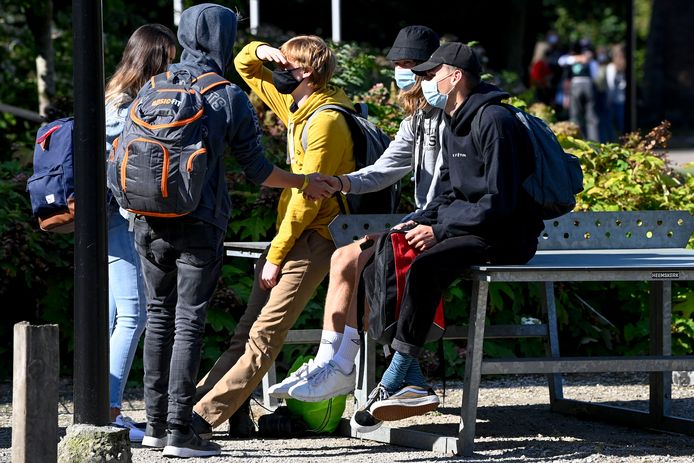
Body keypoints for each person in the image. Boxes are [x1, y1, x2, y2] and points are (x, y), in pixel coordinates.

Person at [135, 4, 330, 458]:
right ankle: (181, 432)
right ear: (221, 39)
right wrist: (303, 181)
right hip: (198, 221)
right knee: (187, 322)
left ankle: (155, 425)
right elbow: (259, 172)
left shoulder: (154, 85)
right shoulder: (226, 95)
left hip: (145, 218)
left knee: (158, 318)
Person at [350, 42, 544, 433]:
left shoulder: (495, 121)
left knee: (426, 266)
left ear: (454, 76)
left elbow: (500, 202)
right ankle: (414, 379)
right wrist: (419, 221)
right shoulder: (456, 120)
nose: (422, 82)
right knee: (381, 254)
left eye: (429, 74)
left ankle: (396, 377)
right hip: (472, 226)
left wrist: (439, 230)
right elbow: (451, 192)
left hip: (506, 235)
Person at [267, 25, 445, 404]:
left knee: (359, 257)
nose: (401, 73)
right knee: (346, 255)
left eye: (410, 65)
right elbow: (384, 170)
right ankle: (330, 361)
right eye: (396, 64)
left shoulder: (454, 118)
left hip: (442, 226)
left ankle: (346, 367)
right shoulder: (416, 120)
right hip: (427, 220)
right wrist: (340, 183)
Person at [189, 33, 356, 439]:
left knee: (266, 332)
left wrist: (277, 255)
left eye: (287, 67)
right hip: (292, 234)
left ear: (310, 73)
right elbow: (246, 66)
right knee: (246, 329)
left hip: (317, 236)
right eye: (279, 65)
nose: (279, 72)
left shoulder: (327, 120)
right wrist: (265, 51)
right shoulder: (297, 104)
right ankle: (196, 405)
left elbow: (308, 200)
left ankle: (201, 416)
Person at [103, 23, 177, 443]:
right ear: (153, 59)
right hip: (120, 216)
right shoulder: (127, 106)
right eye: (168, 56)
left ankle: (101, 404)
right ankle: (109, 411)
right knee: (135, 314)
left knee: (115, 315)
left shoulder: (113, 97)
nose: (174, 65)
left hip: (107, 216)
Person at [559, 39, 600, 141]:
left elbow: (562, 61)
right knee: (590, 117)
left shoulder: (571, 60)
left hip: (576, 85)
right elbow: (595, 76)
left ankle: (577, 140)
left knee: (575, 116)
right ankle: (592, 141)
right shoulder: (588, 61)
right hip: (587, 84)